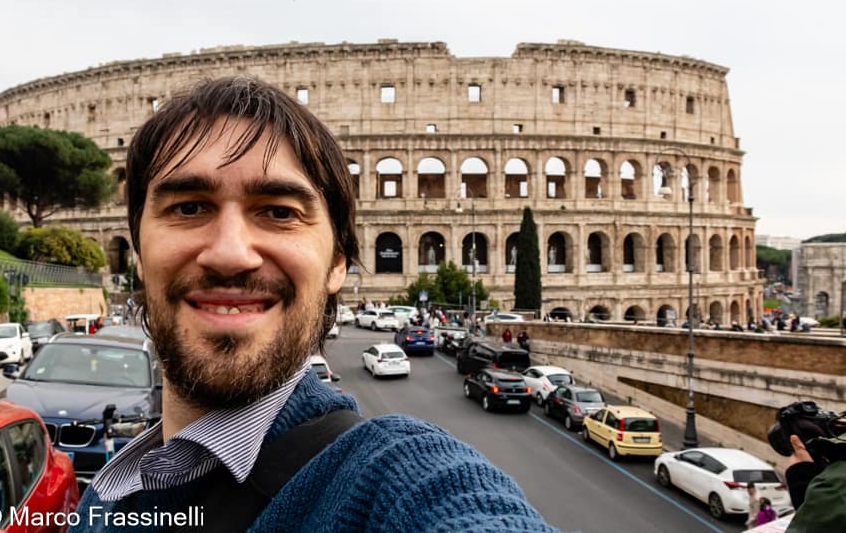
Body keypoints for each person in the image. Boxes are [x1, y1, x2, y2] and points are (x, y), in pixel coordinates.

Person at [72, 76, 560, 532]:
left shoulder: (399, 478)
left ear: (337, 264)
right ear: (137, 253)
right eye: (189, 207)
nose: (230, 253)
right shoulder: (99, 502)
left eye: (280, 213)